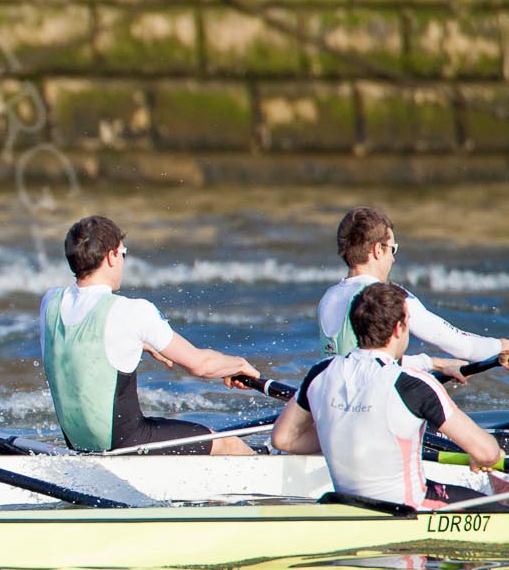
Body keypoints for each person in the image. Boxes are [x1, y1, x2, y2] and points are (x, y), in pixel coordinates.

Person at [40, 215, 259, 456]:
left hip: (78, 443)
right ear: (112, 256)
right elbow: (201, 365)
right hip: (127, 442)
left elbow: (80, 342)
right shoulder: (131, 311)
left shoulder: (50, 302)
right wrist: (238, 365)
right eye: (123, 254)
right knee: (228, 443)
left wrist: (140, 343)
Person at [272, 282, 503, 508]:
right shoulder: (413, 384)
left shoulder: (320, 372)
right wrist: (482, 457)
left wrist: (343, 437)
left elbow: (284, 439)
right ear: (398, 329)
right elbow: (488, 451)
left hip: (348, 504)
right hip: (408, 508)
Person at [317, 206, 503, 375]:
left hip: (332, 403)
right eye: (393, 250)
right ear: (377, 251)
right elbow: (463, 346)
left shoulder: (328, 297)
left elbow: (358, 360)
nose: (393, 259)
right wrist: (501, 346)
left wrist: (434, 364)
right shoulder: (385, 296)